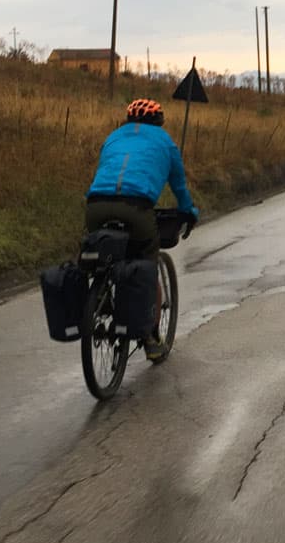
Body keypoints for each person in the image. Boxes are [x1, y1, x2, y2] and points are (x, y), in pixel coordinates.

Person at [85, 98, 199, 357]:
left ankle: (101, 295)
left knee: (102, 251)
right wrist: (189, 212)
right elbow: (179, 186)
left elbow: (106, 171)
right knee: (147, 263)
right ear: (159, 121)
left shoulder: (113, 137)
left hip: (96, 206)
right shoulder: (165, 142)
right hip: (135, 208)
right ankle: (151, 339)